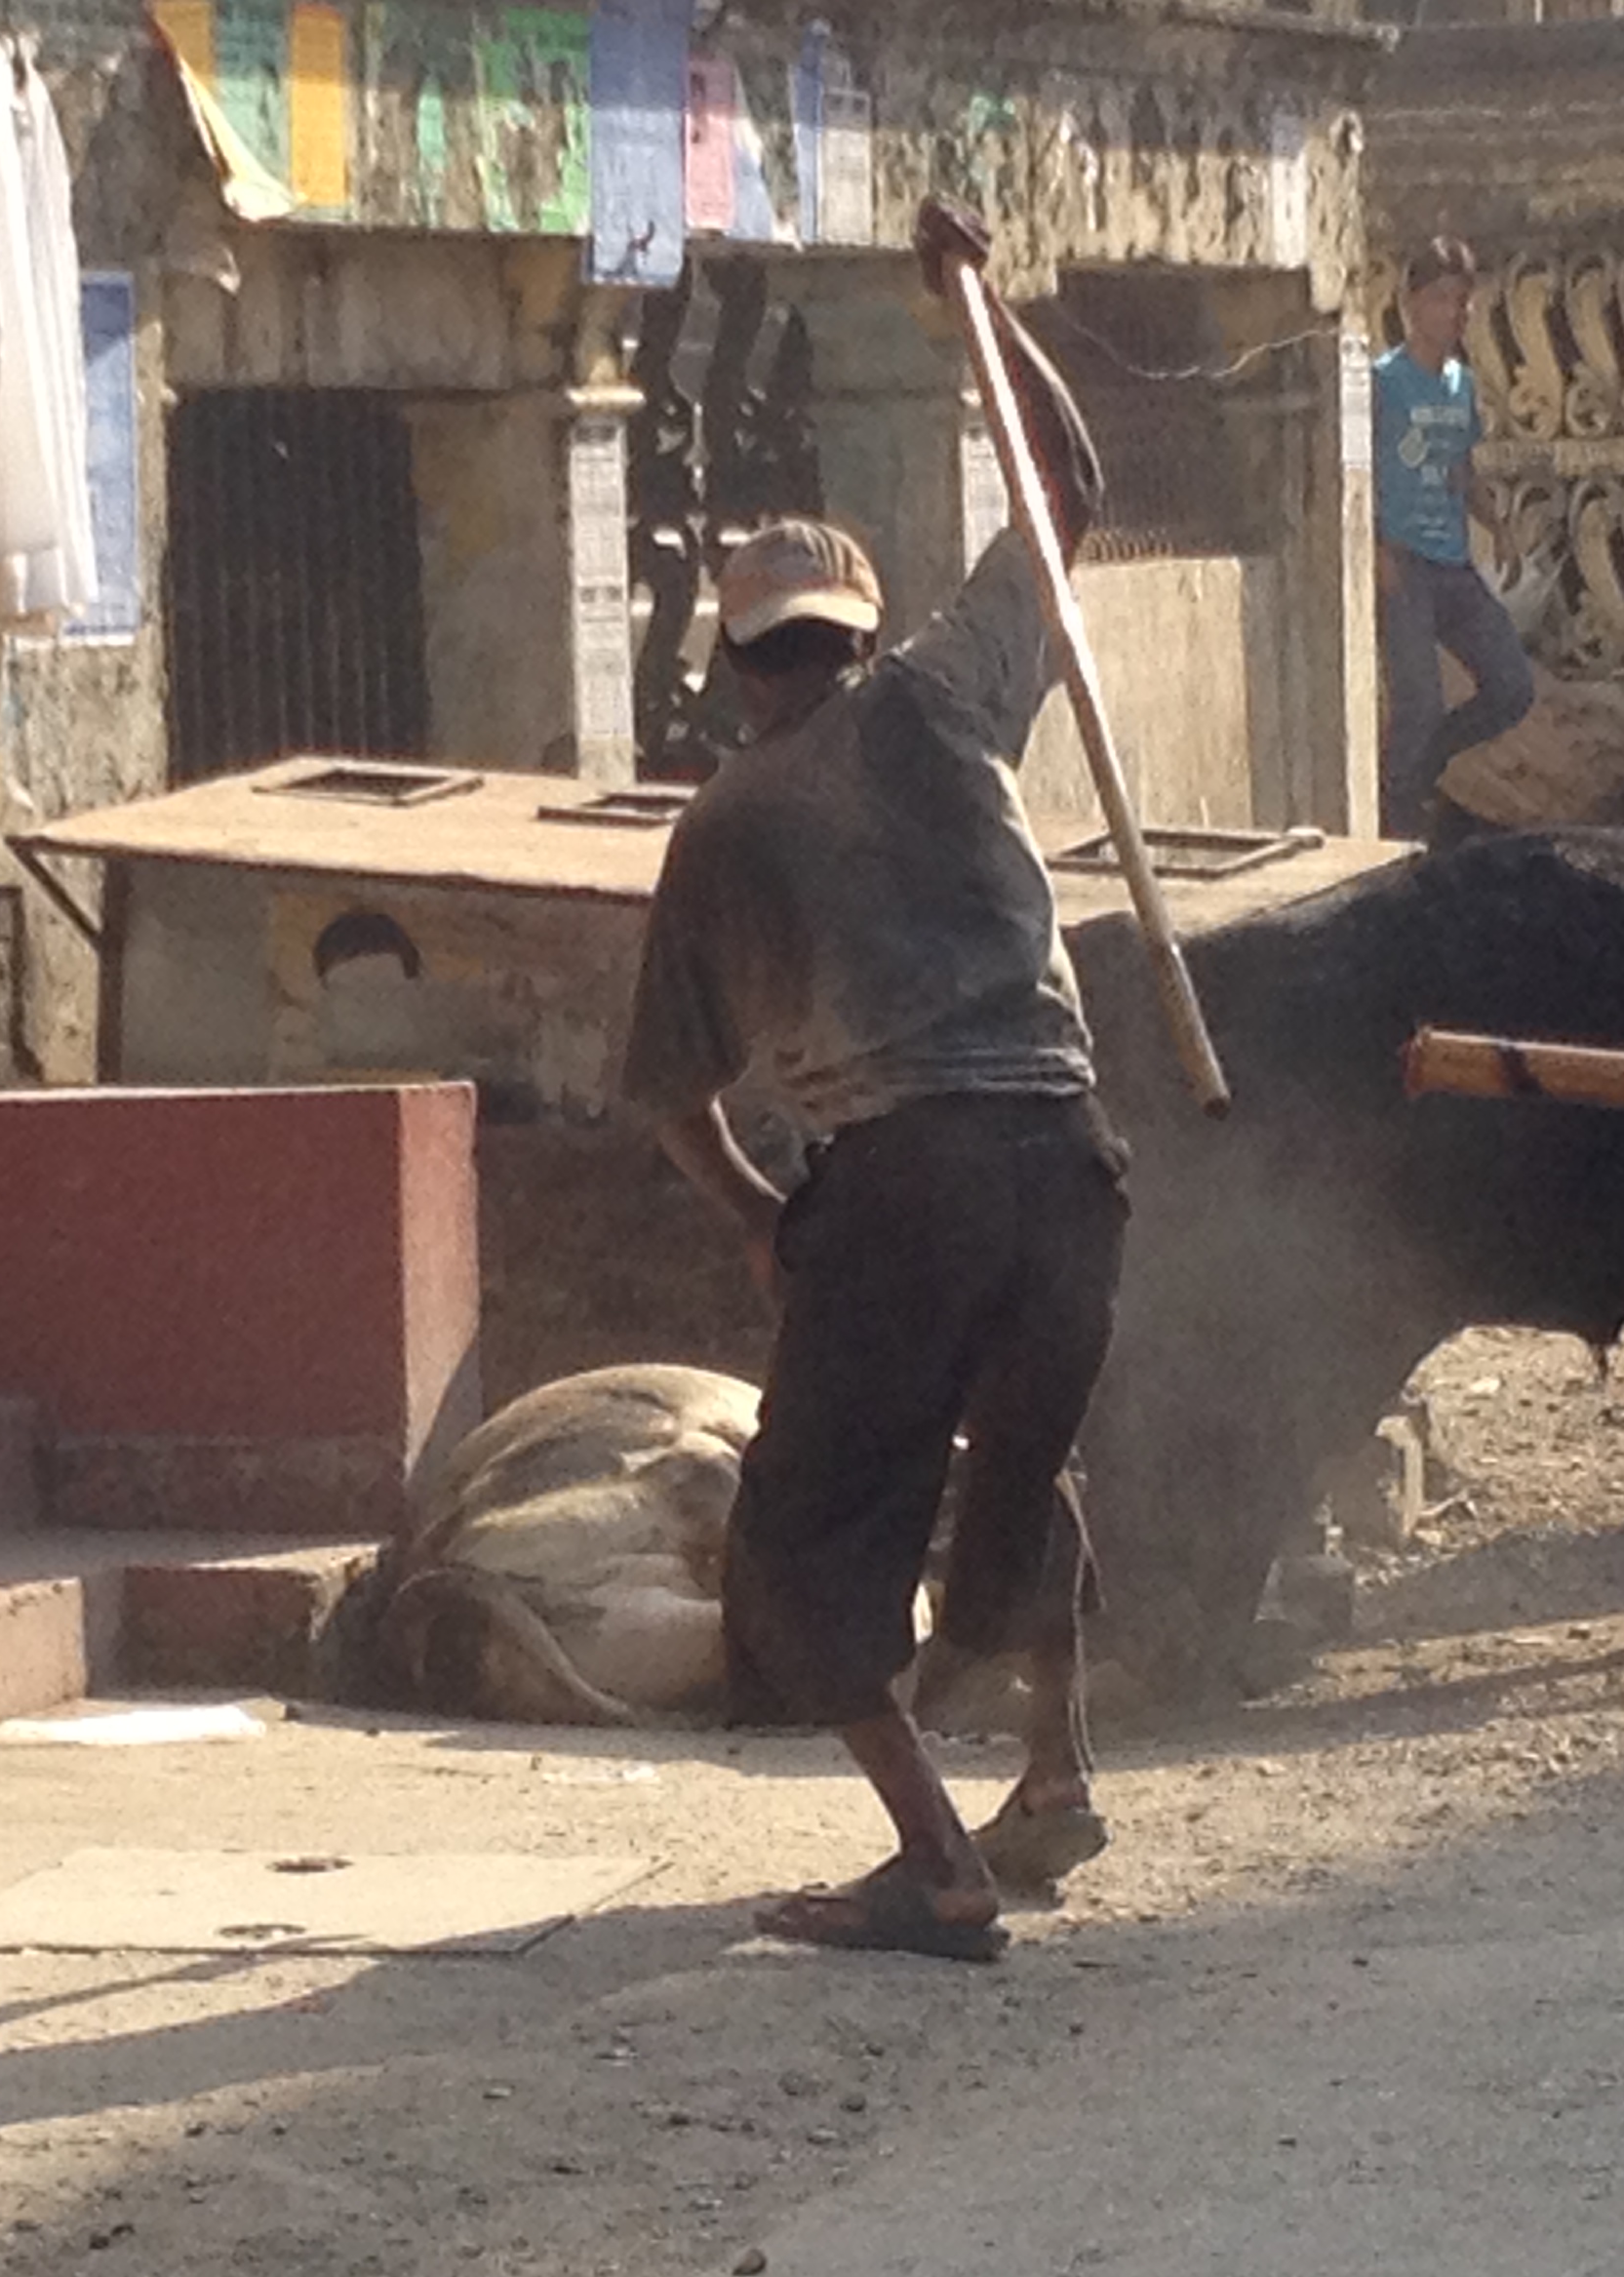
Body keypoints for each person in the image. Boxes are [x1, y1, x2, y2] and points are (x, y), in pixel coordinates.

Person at [616, 201, 1129, 1963]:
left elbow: (670, 1099)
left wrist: (767, 1219)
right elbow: (1067, 485)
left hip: (905, 1185)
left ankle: (937, 1857)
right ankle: (1054, 1768)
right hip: (1071, 1164)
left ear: (735, 662)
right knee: (1017, 1462)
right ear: (859, 628)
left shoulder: (721, 824)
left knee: (797, 1544)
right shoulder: (950, 692)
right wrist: (974, 308)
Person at [1374, 234, 1531, 843]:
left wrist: (1499, 528)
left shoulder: (1461, 385)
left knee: (1512, 687)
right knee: (1418, 701)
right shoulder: (1383, 383)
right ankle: (1396, 826)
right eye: (1442, 298)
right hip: (1405, 564)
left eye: (1463, 300)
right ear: (1412, 303)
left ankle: (1421, 771)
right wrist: (1375, 550)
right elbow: (1352, 475)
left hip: (1453, 563)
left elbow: (1461, 468)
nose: (1456, 312)